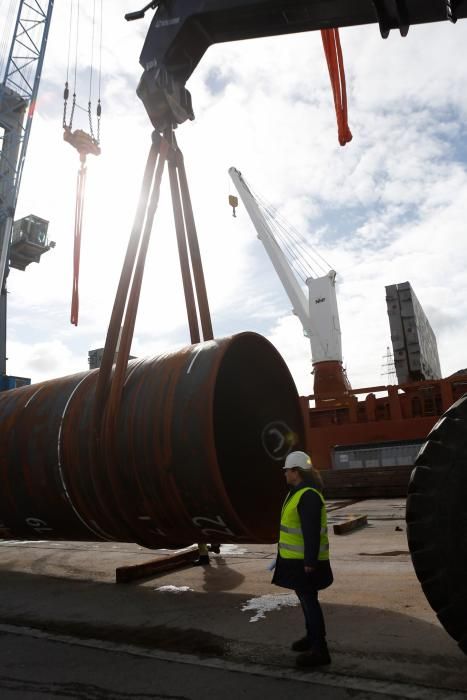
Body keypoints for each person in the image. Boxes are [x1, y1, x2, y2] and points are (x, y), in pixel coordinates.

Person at [272, 450, 333, 668]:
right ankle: (311, 638)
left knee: (309, 601)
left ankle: (319, 649)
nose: (285, 474)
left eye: (286, 470)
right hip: (295, 560)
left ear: (296, 472)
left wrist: (310, 562)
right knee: (306, 601)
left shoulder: (307, 495)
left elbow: (311, 531)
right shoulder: (298, 492)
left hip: (304, 563)